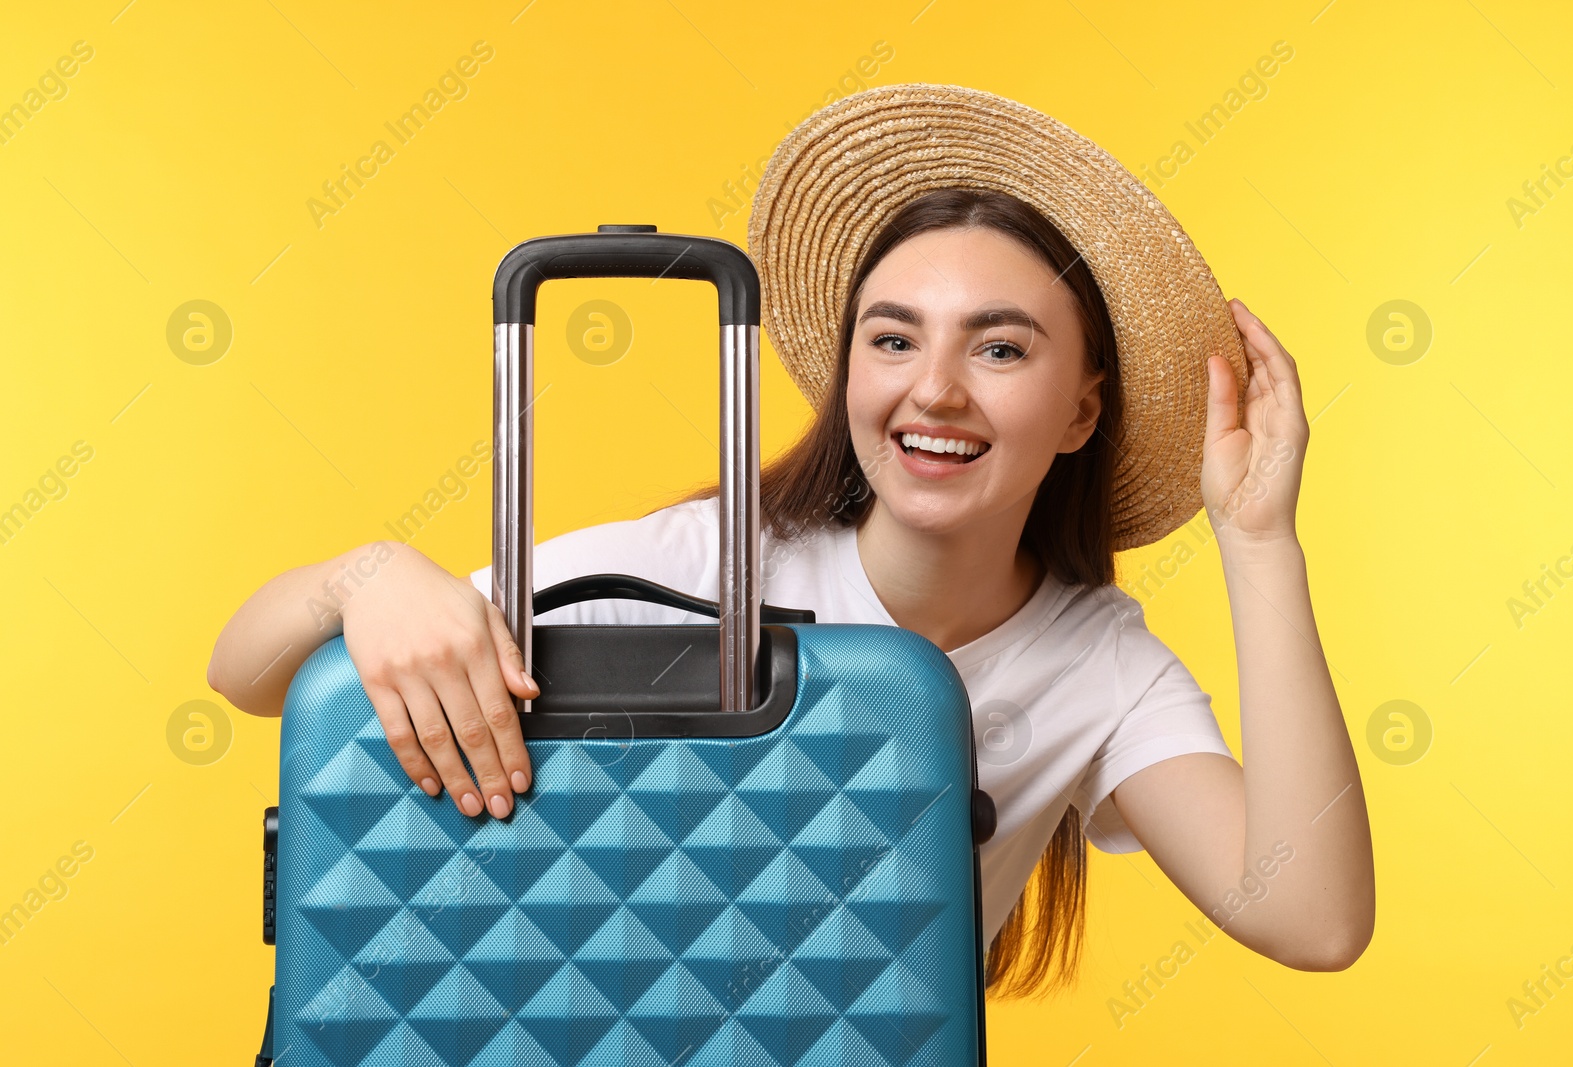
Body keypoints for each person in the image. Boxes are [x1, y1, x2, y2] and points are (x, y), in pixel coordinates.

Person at [208, 83, 1374, 997]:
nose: (937, 392)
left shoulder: (1096, 665)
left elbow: (1311, 917)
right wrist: (367, 577)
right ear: (847, 369)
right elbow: (243, 672)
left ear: (1081, 410)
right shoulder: (705, 563)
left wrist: (1259, 539)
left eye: (1002, 349)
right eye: (893, 340)